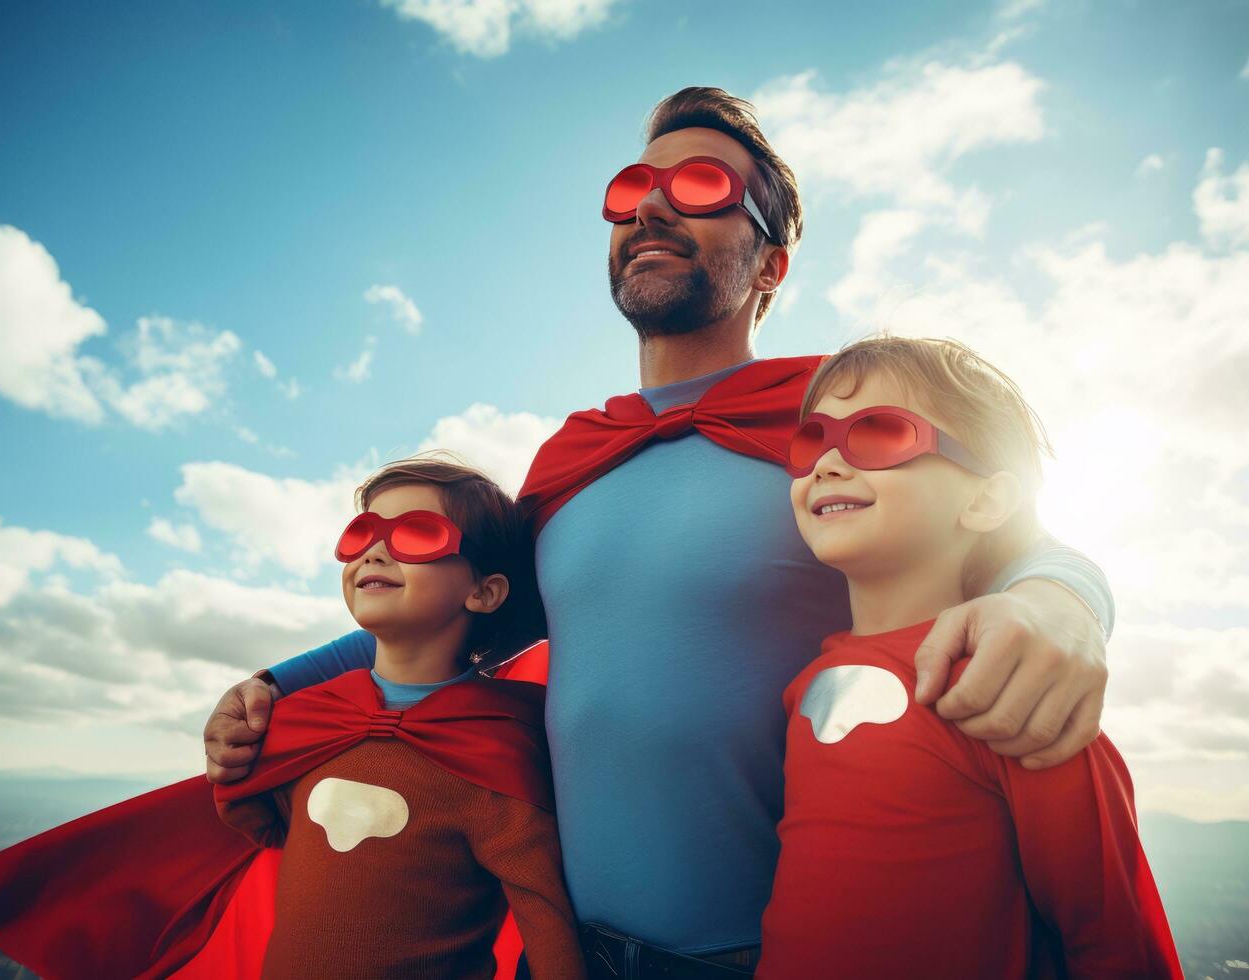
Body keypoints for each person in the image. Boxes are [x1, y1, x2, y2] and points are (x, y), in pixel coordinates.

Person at [205, 88, 1116, 977]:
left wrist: (1061, 605)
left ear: (770, 266)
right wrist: (273, 685)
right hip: (571, 947)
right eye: (632, 188)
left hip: (767, 955)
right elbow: (465, 610)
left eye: (703, 188)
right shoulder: (576, 453)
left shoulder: (829, 427)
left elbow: (1014, 536)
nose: (651, 205)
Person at [0, 457, 584, 980]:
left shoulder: (499, 747)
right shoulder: (313, 717)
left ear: (485, 590)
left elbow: (544, 914)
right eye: (363, 535)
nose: (374, 554)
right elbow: (251, 806)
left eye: (415, 535)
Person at [757, 337, 1181, 978]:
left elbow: (1114, 940)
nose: (828, 463)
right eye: (813, 441)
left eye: (880, 434)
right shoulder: (804, 684)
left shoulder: (1010, 684)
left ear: (984, 500)